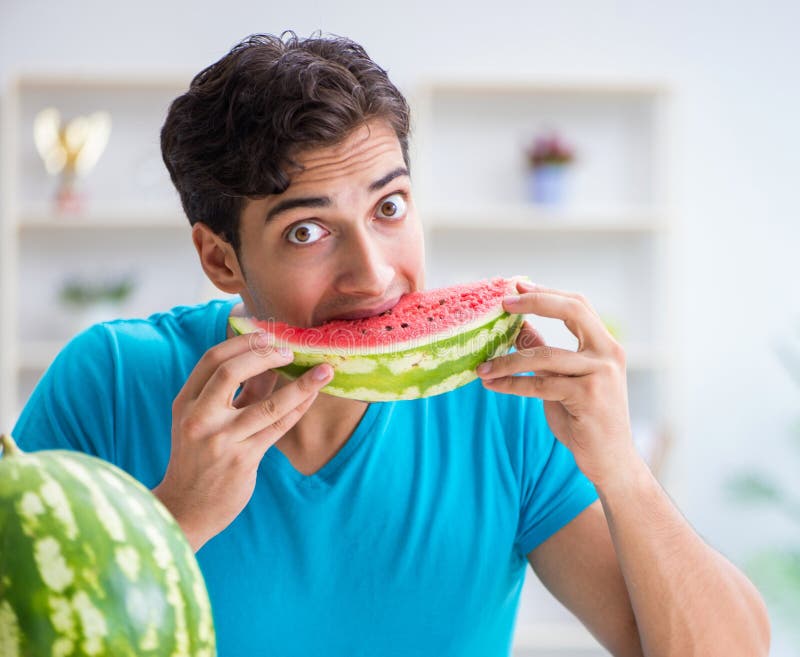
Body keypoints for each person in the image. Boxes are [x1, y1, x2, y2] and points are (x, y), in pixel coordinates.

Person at [13, 31, 769, 657]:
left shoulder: (501, 401)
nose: (373, 274)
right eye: (307, 231)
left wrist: (622, 471)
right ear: (220, 259)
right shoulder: (109, 382)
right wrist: (176, 518)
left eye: (390, 205)